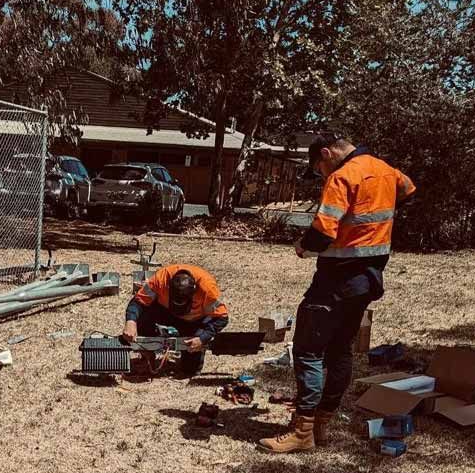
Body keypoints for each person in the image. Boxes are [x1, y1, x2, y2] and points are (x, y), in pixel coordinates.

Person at [259, 133, 416, 454]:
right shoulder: (386, 170)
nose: (321, 175)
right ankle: (322, 424)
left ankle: (303, 431)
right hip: (368, 280)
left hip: (336, 280)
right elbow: (409, 190)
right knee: (341, 351)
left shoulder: (343, 176)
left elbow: (323, 231)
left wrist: (302, 246)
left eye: (319, 169)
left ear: (326, 153)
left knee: (308, 350)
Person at [121, 263, 229, 376]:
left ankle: (188, 355)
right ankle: (148, 353)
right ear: (168, 288)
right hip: (166, 312)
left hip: (194, 321)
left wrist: (202, 338)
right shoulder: (160, 280)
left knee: (189, 370)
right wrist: (131, 322)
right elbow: (138, 301)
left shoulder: (207, 289)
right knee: (142, 313)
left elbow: (222, 318)